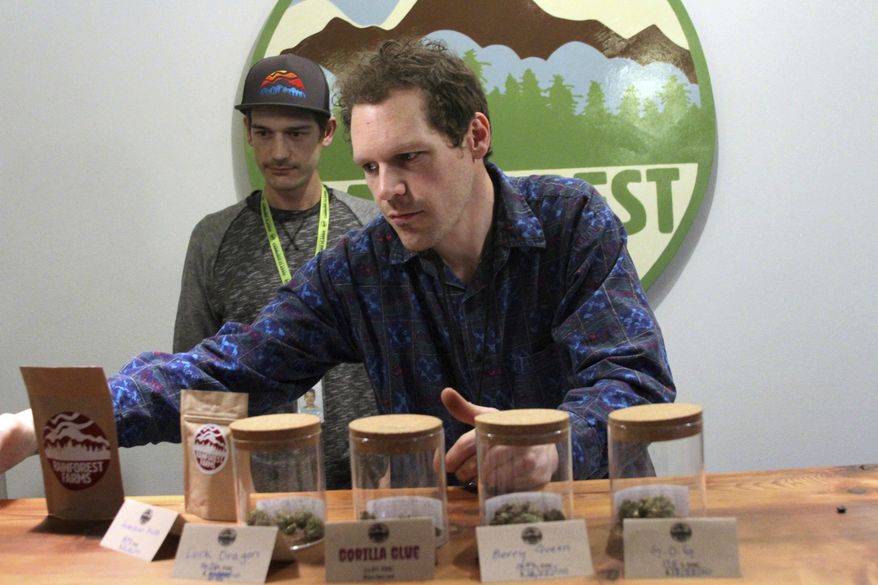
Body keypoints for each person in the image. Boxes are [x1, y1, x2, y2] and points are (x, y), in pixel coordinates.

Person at [0, 39, 674, 488]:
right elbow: (230, 366)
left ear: (475, 136)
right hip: (439, 542)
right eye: (372, 166)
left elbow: (633, 375)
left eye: (409, 158)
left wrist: (548, 445)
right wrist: (46, 421)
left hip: (591, 527)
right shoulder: (363, 267)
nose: (388, 191)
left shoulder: (570, 222)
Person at [174, 52, 380, 489]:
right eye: (264, 133)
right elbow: (195, 380)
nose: (279, 152)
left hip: (368, 479)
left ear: (327, 133)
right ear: (247, 133)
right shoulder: (213, 237)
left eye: (296, 133)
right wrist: (211, 489)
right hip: (255, 484)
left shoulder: (372, 228)